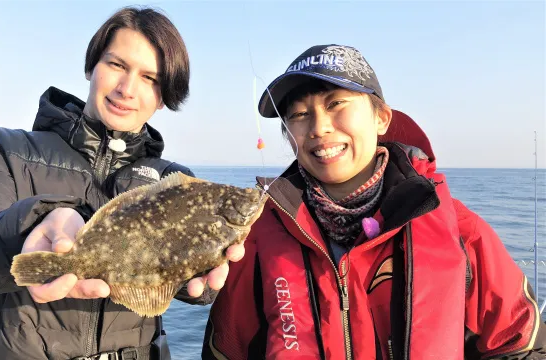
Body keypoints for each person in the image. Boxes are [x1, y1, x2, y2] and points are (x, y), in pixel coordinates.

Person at [0, 6, 243, 360]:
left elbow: (183, 279)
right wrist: (31, 226)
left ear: (163, 98)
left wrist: (198, 278)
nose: (127, 89)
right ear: (91, 66)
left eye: (150, 79)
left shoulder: (173, 181)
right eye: (117, 65)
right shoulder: (2, 148)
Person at [202, 44, 546, 359]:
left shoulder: (463, 233)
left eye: (336, 104)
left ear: (381, 117)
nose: (319, 128)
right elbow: (225, 350)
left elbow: (521, 346)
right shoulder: (255, 240)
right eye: (299, 115)